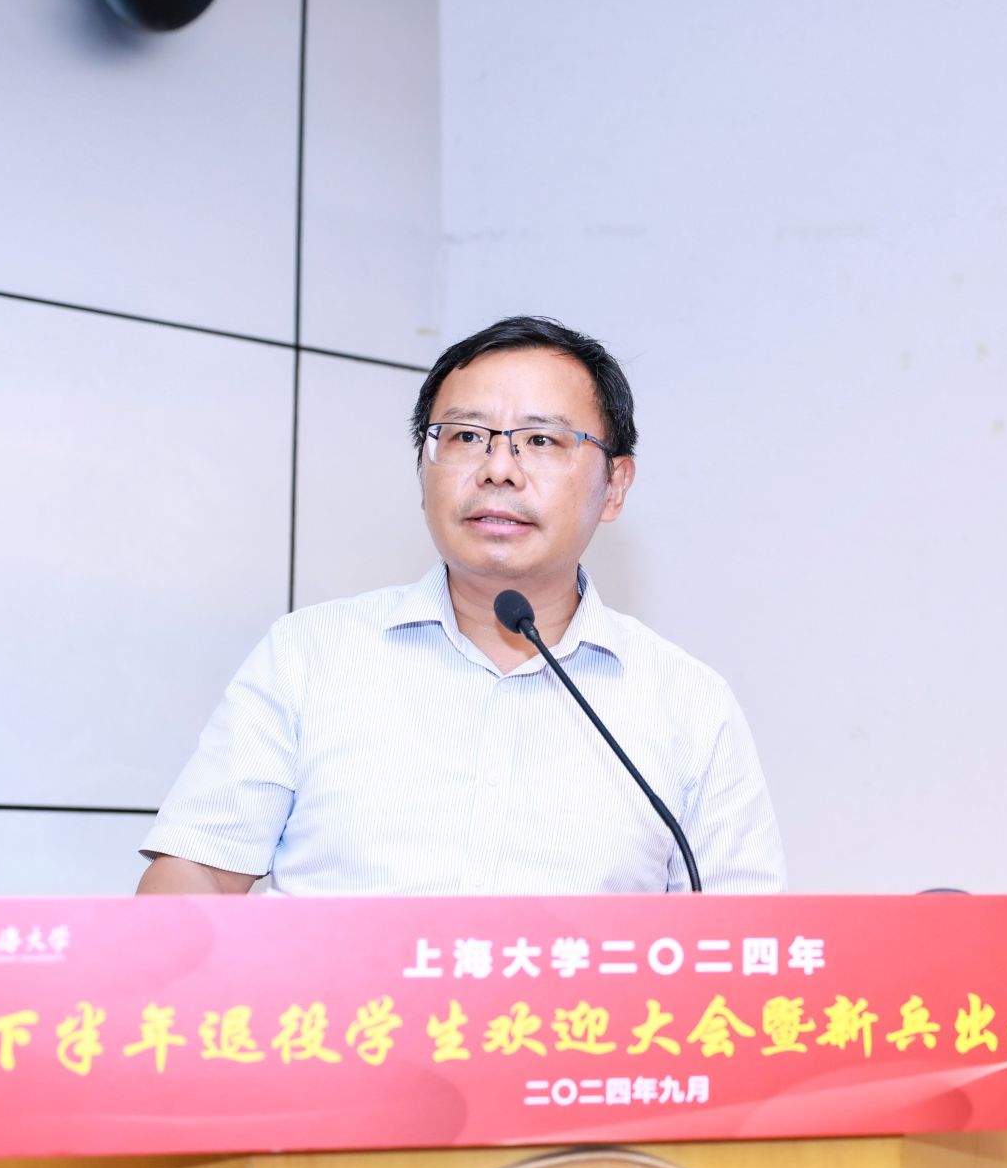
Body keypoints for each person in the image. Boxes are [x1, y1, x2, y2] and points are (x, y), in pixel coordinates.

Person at [137, 316, 785, 896]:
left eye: (541, 441)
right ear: (424, 469)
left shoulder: (688, 703)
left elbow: (747, 943)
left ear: (614, 485)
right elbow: (198, 872)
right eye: (467, 436)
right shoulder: (311, 654)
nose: (498, 468)